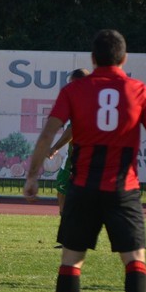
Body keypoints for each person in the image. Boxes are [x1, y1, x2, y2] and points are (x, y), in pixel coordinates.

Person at [23, 29, 146, 292]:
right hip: (123, 191)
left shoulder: (74, 90)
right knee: (134, 258)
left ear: (93, 58)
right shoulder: (139, 91)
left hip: (82, 188)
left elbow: (47, 135)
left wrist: (32, 176)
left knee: (72, 260)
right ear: (124, 58)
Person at [48, 68, 91, 216]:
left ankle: (67, 219)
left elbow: (73, 130)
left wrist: (54, 148)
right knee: (65, 188)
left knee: (63, 187)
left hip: (78, 156)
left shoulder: (83, 102)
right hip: (89, 155)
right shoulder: (91, 100)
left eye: (72, 83)